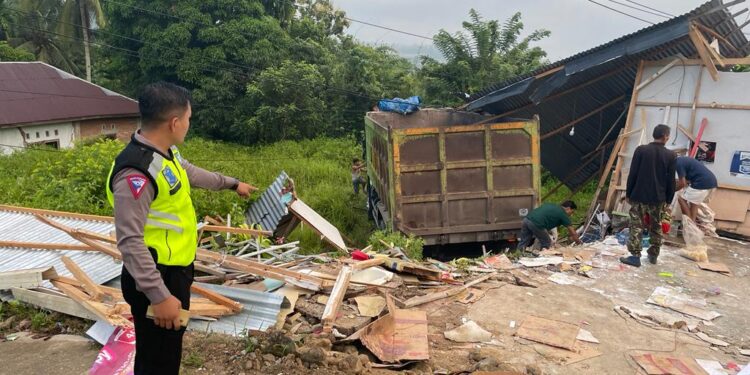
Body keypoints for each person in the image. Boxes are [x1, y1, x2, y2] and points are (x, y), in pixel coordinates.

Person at [106, 82, 256, 374]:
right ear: (174, 123)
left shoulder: (164, 153)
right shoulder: (134, 174)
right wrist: (159, 296)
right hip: (154, 276)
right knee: (156, 359)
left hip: (174, 271)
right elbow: (130, 241)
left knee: (167, 351)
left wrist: (233, 184)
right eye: (188, 119)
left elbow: (190, 173)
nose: (189, 124)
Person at [621, 124, 677, 267]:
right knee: (656, 226)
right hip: (658, 198)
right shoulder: (671, 155)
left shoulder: (641, 150)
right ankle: (653, 255)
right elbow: (670, 180)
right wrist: (669, 200)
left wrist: (629, 193)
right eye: (668, 135)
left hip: (639, 195)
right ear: (665, 136)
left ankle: (635, 256)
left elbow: (633, 173)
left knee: (636, 225)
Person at [517, 201, 582, 253]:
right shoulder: (563, 214)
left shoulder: (552, 206)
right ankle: (543, 258)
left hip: (526, 220)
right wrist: (579, 243)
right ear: (568, 208)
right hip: (537, 223)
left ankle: (518, 255)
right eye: (572, 212)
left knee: (524, 240)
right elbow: (573, 233)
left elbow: (546, 218)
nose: (571, 214)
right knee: (547, 242)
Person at [675, 156, 717, 221]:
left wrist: (672, 191)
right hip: (712, 182)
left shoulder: (678, 163)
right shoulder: (683, 160)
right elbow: (686, 181)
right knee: (694, 204)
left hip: (702, 182)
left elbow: (682, 183)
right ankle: (692, 224)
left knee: (681, 199)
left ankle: (690, 224)